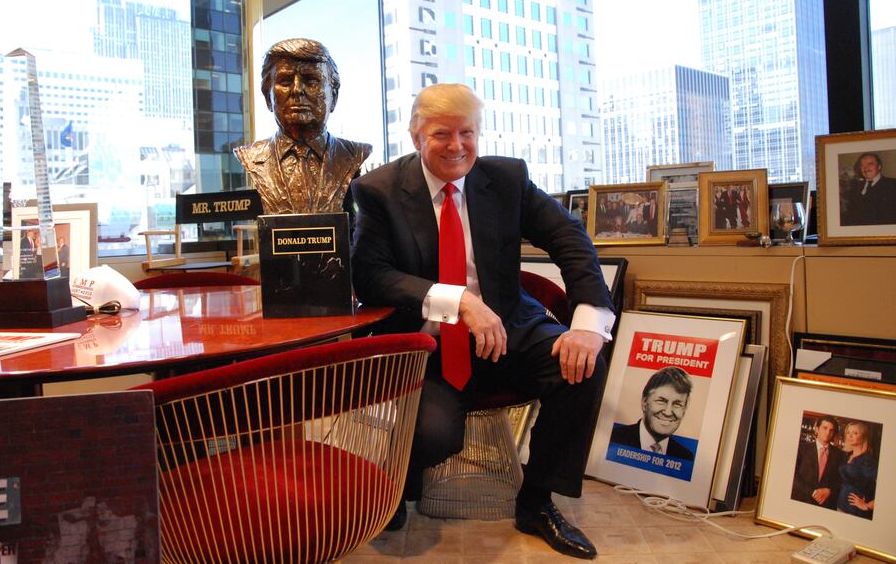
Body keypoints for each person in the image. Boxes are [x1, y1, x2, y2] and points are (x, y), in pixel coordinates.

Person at [350, 83, 614, 560]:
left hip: (509, 326)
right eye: (441, 134)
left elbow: (569, 238)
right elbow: (370, 275)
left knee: (583, 361)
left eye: (466, 132)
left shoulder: (507, 179)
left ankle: (536, 502)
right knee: (435, 436)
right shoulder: (378, 190)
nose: (456, 146)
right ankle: (398, 478)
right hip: (428, 344)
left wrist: (589, 322)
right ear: (415, 137)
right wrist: (458, 301)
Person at [234, 38, 372, 215]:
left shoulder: (354, 155)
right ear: (268, 97)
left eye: (311, 81)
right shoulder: (251, 157)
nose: (297, 90)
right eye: (285, 81)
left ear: (334, 96)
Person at [609, 366, 695, 461]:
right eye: (661, 401)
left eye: (677, 404)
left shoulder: (685, 457)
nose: (668, 412)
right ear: (644, 402)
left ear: (684, 409)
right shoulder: (613, 438)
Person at [790, 415, 844, 509]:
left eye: (831, 430)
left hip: (826, 504)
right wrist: (812, 492)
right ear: (817, 429)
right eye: (825, 428)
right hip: (801, 500)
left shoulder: (839, 454)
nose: (828, 432)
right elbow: (792, 475)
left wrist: (829, 490)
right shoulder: (801, 448)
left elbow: (841, 479)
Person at [836, 420, 877, 519]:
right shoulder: (848, 456)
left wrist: (867, 506)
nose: (850, 436)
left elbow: (887, 492)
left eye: (855, 433)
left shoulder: (867, 460)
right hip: (840, 506)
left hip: (855, 511)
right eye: (848, 433)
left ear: (863, 437)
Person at [842, 152, 896, 226]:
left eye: (870, 164)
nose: (866, 168)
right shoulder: (855, 186)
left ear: (879, 166)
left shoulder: (892, 184)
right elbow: (850, 213)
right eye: (862, 165)